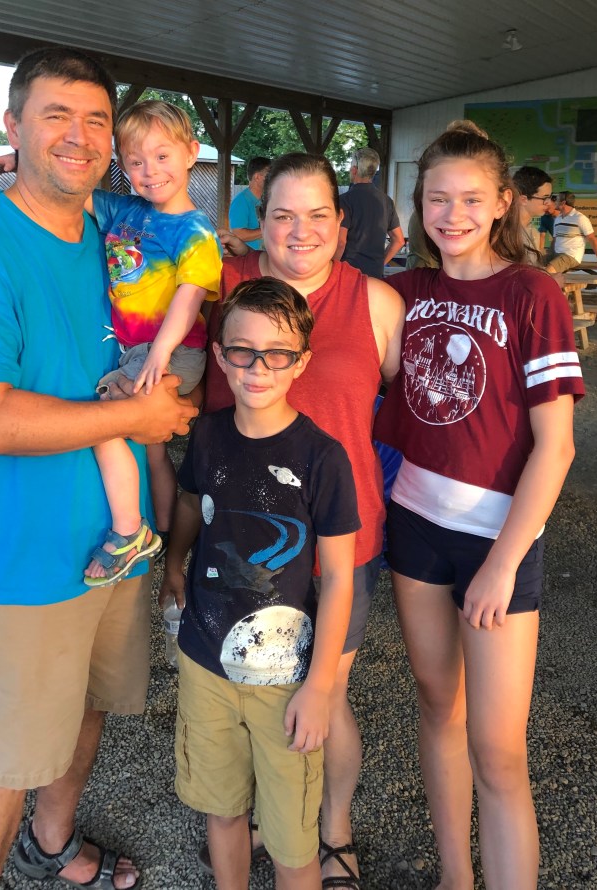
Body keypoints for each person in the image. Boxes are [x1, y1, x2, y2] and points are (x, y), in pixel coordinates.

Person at [0, 46, 197, 890]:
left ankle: (52, 841)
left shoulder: (116, 231)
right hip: (26, 559)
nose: (79, 136)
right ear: (14, 127)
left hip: (118, 545)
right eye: (56, 116)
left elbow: (200, 249)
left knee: (89, 708)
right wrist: (137, 419)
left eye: (96, 120)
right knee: (9, 754)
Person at [374, 121, 585, 890]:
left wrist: (503, 562)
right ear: (418, 203)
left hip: (498, 540)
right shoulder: (402, 293)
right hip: (415, 527)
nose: (452, 213)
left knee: (499, 751)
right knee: (439, 709)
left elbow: (555, 448)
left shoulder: (532, 293)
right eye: (437, 198)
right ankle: (454, 877)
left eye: (470, 198)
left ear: (502, 203)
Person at [203, 152, 405, 888]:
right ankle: (263, 816)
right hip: (240, 537)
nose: (300, 230)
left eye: (318, 214)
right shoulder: (219, 287)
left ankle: (333, 829)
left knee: (325, 693)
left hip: (340, 544)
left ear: (341, 223)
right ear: (258, 223)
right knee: (249, 689)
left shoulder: (377, 304)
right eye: (283, 214)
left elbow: (394, 401)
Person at [161, 276, 359, 889]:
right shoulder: (208, 434)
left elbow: (341, 580)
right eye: (242, 351)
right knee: (222, 812)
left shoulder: (323, 458)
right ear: (220, 356)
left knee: (292, 840)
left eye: (276, 353)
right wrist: (173, 562)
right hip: (205, 665)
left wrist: (320, 687)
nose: (257, 367)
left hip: (287, 682)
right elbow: (190, 503)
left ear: (301, 361)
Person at [82, 100, 222, 583]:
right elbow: (73, 189)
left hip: (173, 349)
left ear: (191, 153)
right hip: (140, 349)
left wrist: (161, 351)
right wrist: (16, 162)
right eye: (136, 161)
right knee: (154, 448)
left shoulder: (195, 229)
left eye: (162, 156)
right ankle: (161, 530)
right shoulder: (126, 210)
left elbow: (190, 295)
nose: (150, 171)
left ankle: (129, 531)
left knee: (103, 422)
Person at [334, 147, 405, 278]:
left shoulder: (344, 201)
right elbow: (399, 240)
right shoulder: (386, 201)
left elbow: (340, 242)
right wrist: (380, 264)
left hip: (348, 274)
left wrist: (331, 268)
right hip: (375, 276)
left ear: (354, 170)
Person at [545, 191, 597, 273]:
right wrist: (549, 254)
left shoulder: (580, 218)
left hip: (570, 255)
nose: (554, 202)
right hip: (556, 254)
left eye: (556, 199)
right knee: (535, 264)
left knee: (548, 271)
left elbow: (592, 238)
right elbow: (555, 239)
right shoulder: (558, 218)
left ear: (563, 203)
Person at [511, 165, 554, 263]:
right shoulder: (506, 234)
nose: (549, 202)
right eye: (545, 198)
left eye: (550, 197)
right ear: (523, 199)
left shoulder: (533, 231)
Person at [228, 156, 271, 249]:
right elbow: (239, 234)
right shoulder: (241, 201)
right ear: (257, 177)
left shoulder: (268, 199)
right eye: (269, 175)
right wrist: (269, 229)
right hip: (250, 255)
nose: (272, 179)